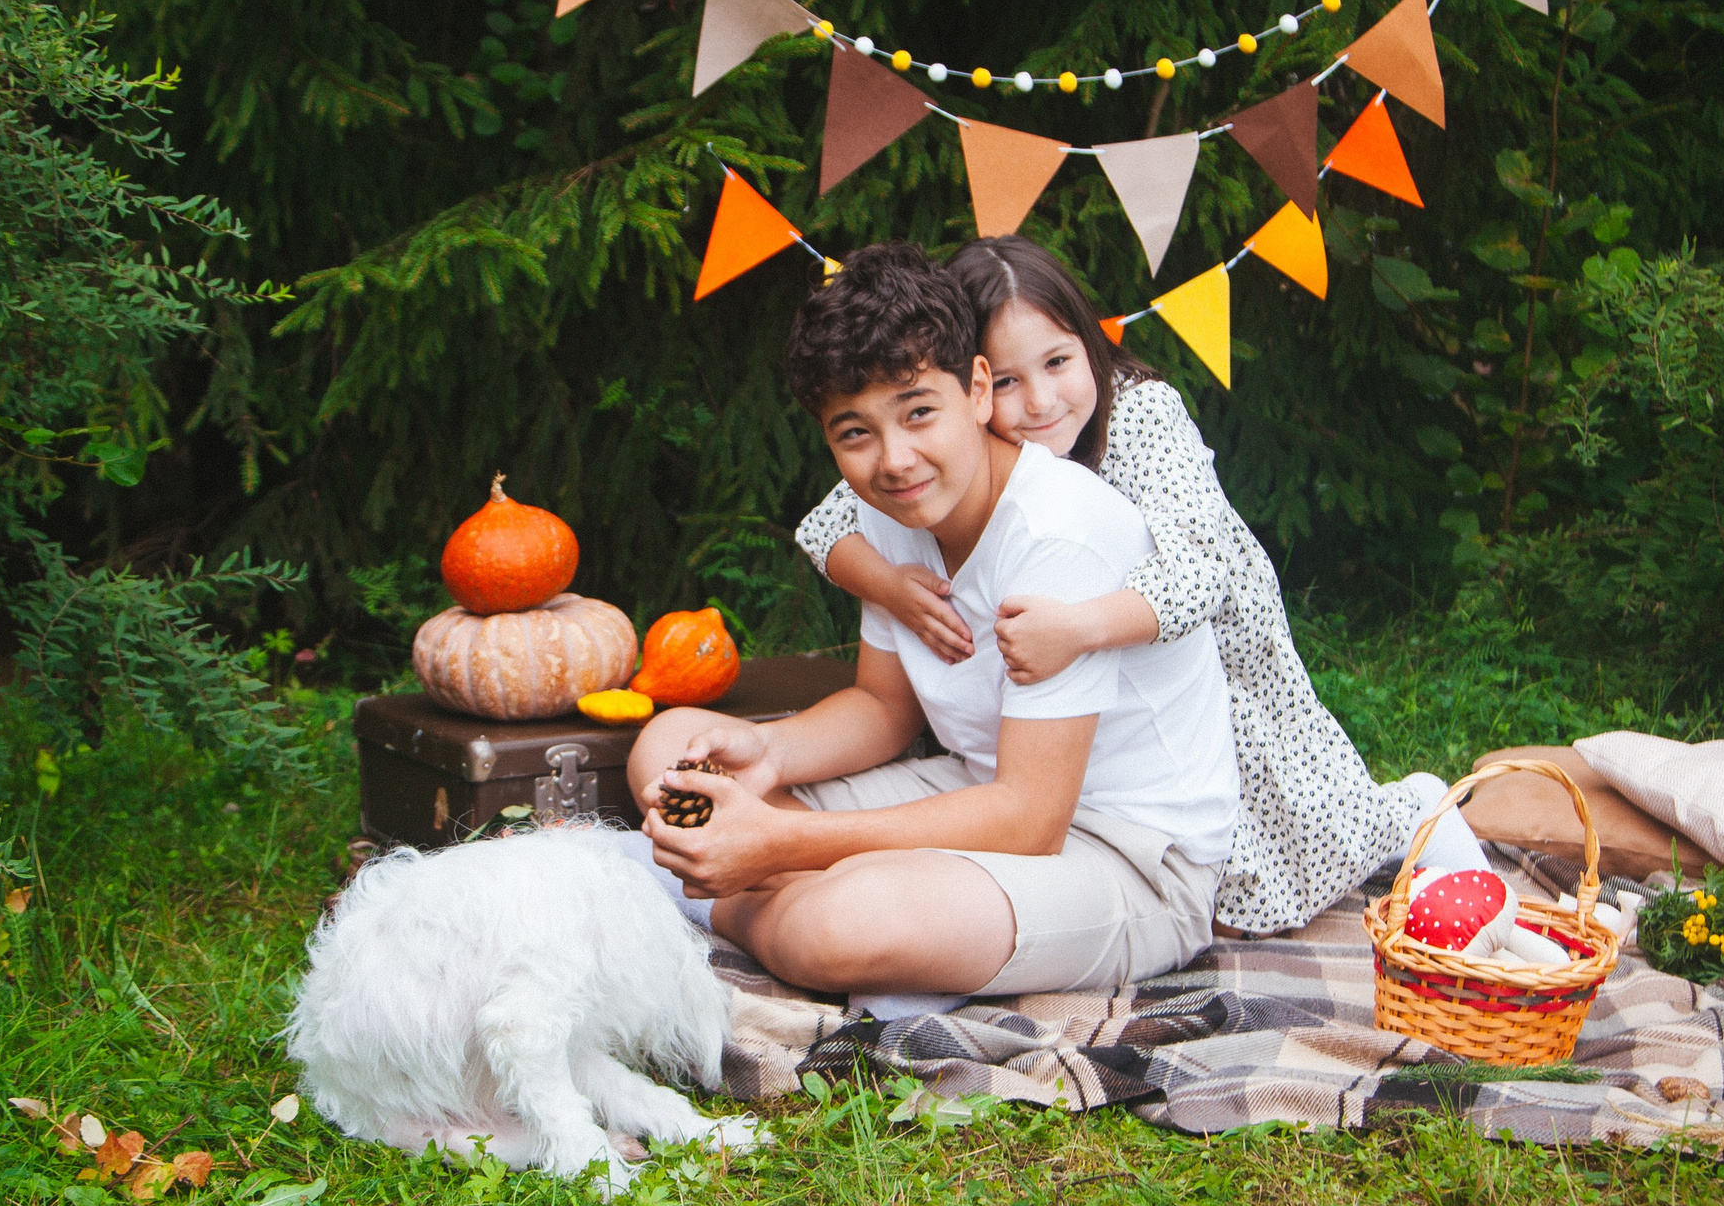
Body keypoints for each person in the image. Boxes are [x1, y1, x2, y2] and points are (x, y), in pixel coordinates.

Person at [792, 235, 1487, 936]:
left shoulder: (1140, 416)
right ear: (974, 386)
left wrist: (1079, 626)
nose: (1039, 401)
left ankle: (1411, 815)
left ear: (1090, 347)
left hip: (1202, 639)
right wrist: (889, 585)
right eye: (1007, 381)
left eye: (1058, 362)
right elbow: (826, 526)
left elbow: (1198, 572)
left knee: (1292, 815)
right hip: (1106, 675)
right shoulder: (949, 452)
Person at [627, 242, 1239, 1005]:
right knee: (668, 747)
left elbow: (1032, 819)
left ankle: (738, 892)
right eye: (856, 433)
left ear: (977, 390)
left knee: (839, 923)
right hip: (976, 785)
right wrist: (768, 750)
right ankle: (770, 883)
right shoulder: (891, 509)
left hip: (1127, 853)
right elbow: (884, 709)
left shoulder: (1061, 529)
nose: (895, 458)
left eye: (920, 412)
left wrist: (783, 842)